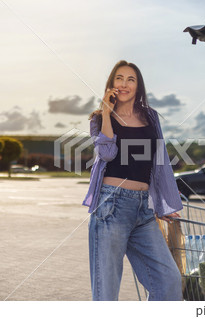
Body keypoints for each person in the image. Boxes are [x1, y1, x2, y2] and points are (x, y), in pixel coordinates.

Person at [83, 60, 183, 301]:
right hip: (110, 206)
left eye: (131, 79)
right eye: (119, 78)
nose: (124, 84)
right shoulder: (99, 118)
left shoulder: (150, 116)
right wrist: (107, 112)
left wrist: (162, 204)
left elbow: (159, 161)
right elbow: (106, 154)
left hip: (143, 209)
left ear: (139, 86)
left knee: (169, 281)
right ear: (111, 84)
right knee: (106, 292)